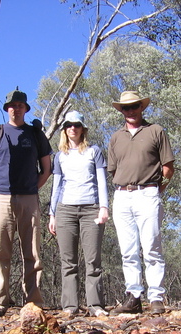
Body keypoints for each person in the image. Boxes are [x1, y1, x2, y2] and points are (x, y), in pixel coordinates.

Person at [108, 91, 175, 315]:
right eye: (126, 108)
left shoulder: (156, 131)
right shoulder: (116, 137)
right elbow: (113, 170)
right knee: (128, 251)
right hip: (122, 196)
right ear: (122, 111)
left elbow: (168, 167)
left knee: (152, 248)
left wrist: (157, 189)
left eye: (134, 106)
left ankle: (156, 297)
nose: (131, 111)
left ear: (141, 107)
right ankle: (133, 297)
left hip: (148, 193)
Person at [0, 88, 52, 318]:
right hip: (1, 199)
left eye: (20, 105)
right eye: (12, 106)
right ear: (7, 109)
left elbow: (47, 168)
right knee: (0, 251)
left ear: (25, 108)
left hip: (29, 199)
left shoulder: (35, 134)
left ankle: (33, 300)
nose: (16, 109)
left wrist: (34, 188)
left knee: (32, 252)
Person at [48, 111, 109, 317]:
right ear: (64, 129)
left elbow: (102, 181)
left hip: (91, 208)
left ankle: (95, 305)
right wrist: (52, 214)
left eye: (76, 124)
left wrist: (104, 208)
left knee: (93, 260)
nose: (72, 128)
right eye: (68, 125)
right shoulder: (59, 156)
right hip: (65, 211)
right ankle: (70, 306)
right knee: (68, 261)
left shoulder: (94, 151)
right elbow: (56, 186)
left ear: (83, 128)